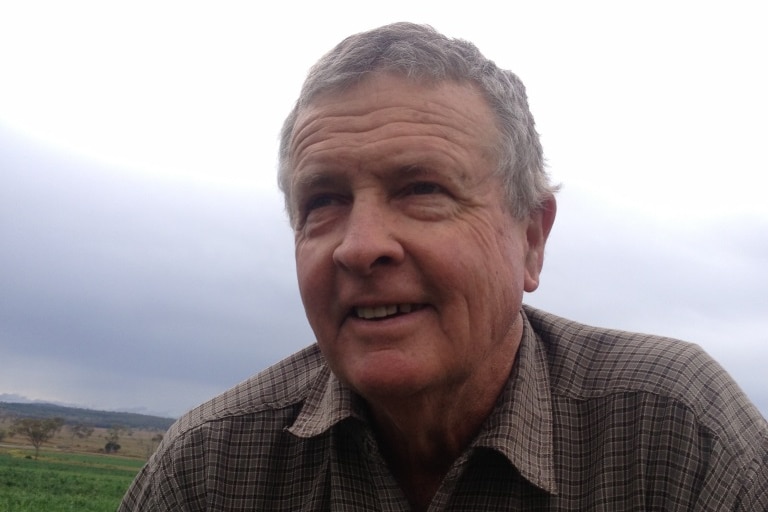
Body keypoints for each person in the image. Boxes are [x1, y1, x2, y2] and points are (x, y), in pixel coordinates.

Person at [118, 22, 767, 511]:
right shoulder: (207, 471)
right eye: (323, 201)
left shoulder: (677, 437)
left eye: (422, 190)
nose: (359, 245)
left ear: (532, 239)